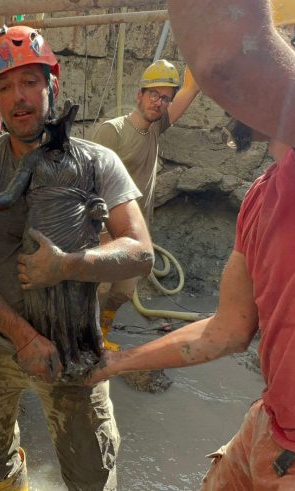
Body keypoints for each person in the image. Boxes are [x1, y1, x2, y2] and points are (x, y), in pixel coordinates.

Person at [89, 0, 295, 489]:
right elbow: (227, 329)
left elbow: (230, 65)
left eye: (272, 46)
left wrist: (222, 60)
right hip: (275, 427)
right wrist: (113, 363)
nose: (226, 101)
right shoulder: (265, 196)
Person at [0, 25, 153, 491]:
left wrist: (67, 265)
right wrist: (23, 337)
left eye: (29, 82)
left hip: (72, 342)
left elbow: (141, 252)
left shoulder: (97, 162)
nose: (18, 97)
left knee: (92, 472)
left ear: (52, 85)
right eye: (4, 87)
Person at [91, 60, 200, 351]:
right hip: (107, 230)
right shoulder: (112, 131)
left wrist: (199, 67)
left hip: (135, 232)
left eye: (165, 98)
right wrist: (101, 232)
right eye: (154, 94)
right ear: (139, 95)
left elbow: (190, 90)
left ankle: (102, 334)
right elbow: (90, 184)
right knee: (100, 288)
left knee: (124, 291)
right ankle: (86, 339)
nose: (159, 102)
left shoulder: (155, 128)